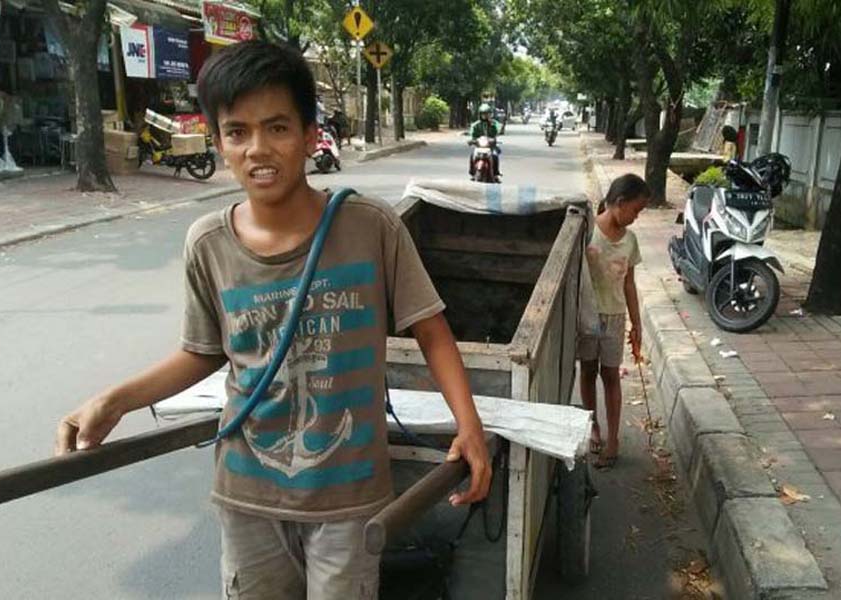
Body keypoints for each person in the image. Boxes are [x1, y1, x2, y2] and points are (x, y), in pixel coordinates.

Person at [53, 41, 491, 600]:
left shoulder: (369, 227)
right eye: (237, 132)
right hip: (247, 493)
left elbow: (430, 330)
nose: (258, 149)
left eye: (277, 127)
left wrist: (469, 428)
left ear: (311, 136)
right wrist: (115, 400)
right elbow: (203, 352)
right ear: (218, 143)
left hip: (348, 498)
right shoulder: (208, 243)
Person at [577, 174, 650, 469]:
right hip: (587, 316)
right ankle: (592, 426)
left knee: (610, 376)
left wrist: (637, 323)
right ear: (619, 203)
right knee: (587, 371)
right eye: (635, 210)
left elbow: (629, 285)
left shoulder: (630, 241)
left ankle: (613, 439)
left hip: (615, 318)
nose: (636, 217)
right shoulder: (588, 232)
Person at [468, 102, 502, 180]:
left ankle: (496, 174)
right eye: (483, 114)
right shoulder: (476, 125)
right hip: (479, 146)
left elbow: (499, 129)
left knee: (495, 156)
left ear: (490, 114)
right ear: (480, 114)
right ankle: (472, 172)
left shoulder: (494, 124)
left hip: (491, 146)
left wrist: (494, 138)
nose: (485, 115)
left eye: (487, 113)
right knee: (472, 155)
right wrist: (472, 141)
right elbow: (472, 135)